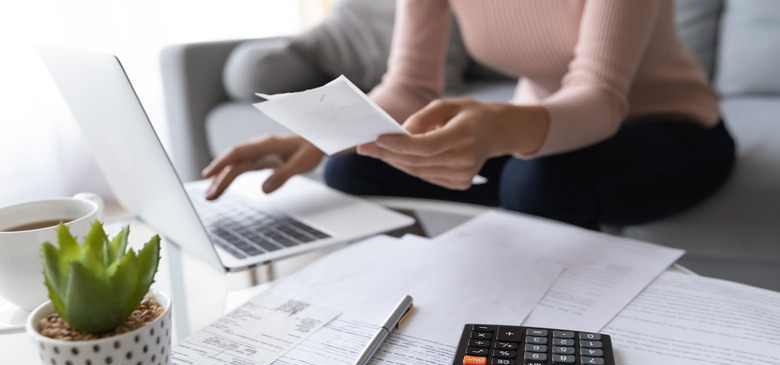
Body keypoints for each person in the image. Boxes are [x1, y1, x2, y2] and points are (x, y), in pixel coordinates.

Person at [203, 0, 735, 231]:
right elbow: (410, 85)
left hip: (672, 129)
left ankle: (544, 349)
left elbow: (600, 97)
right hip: (545, 130)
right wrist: (315, 137)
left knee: (537, 181)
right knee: (355, 167)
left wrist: (499, 125)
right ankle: (414, 308)